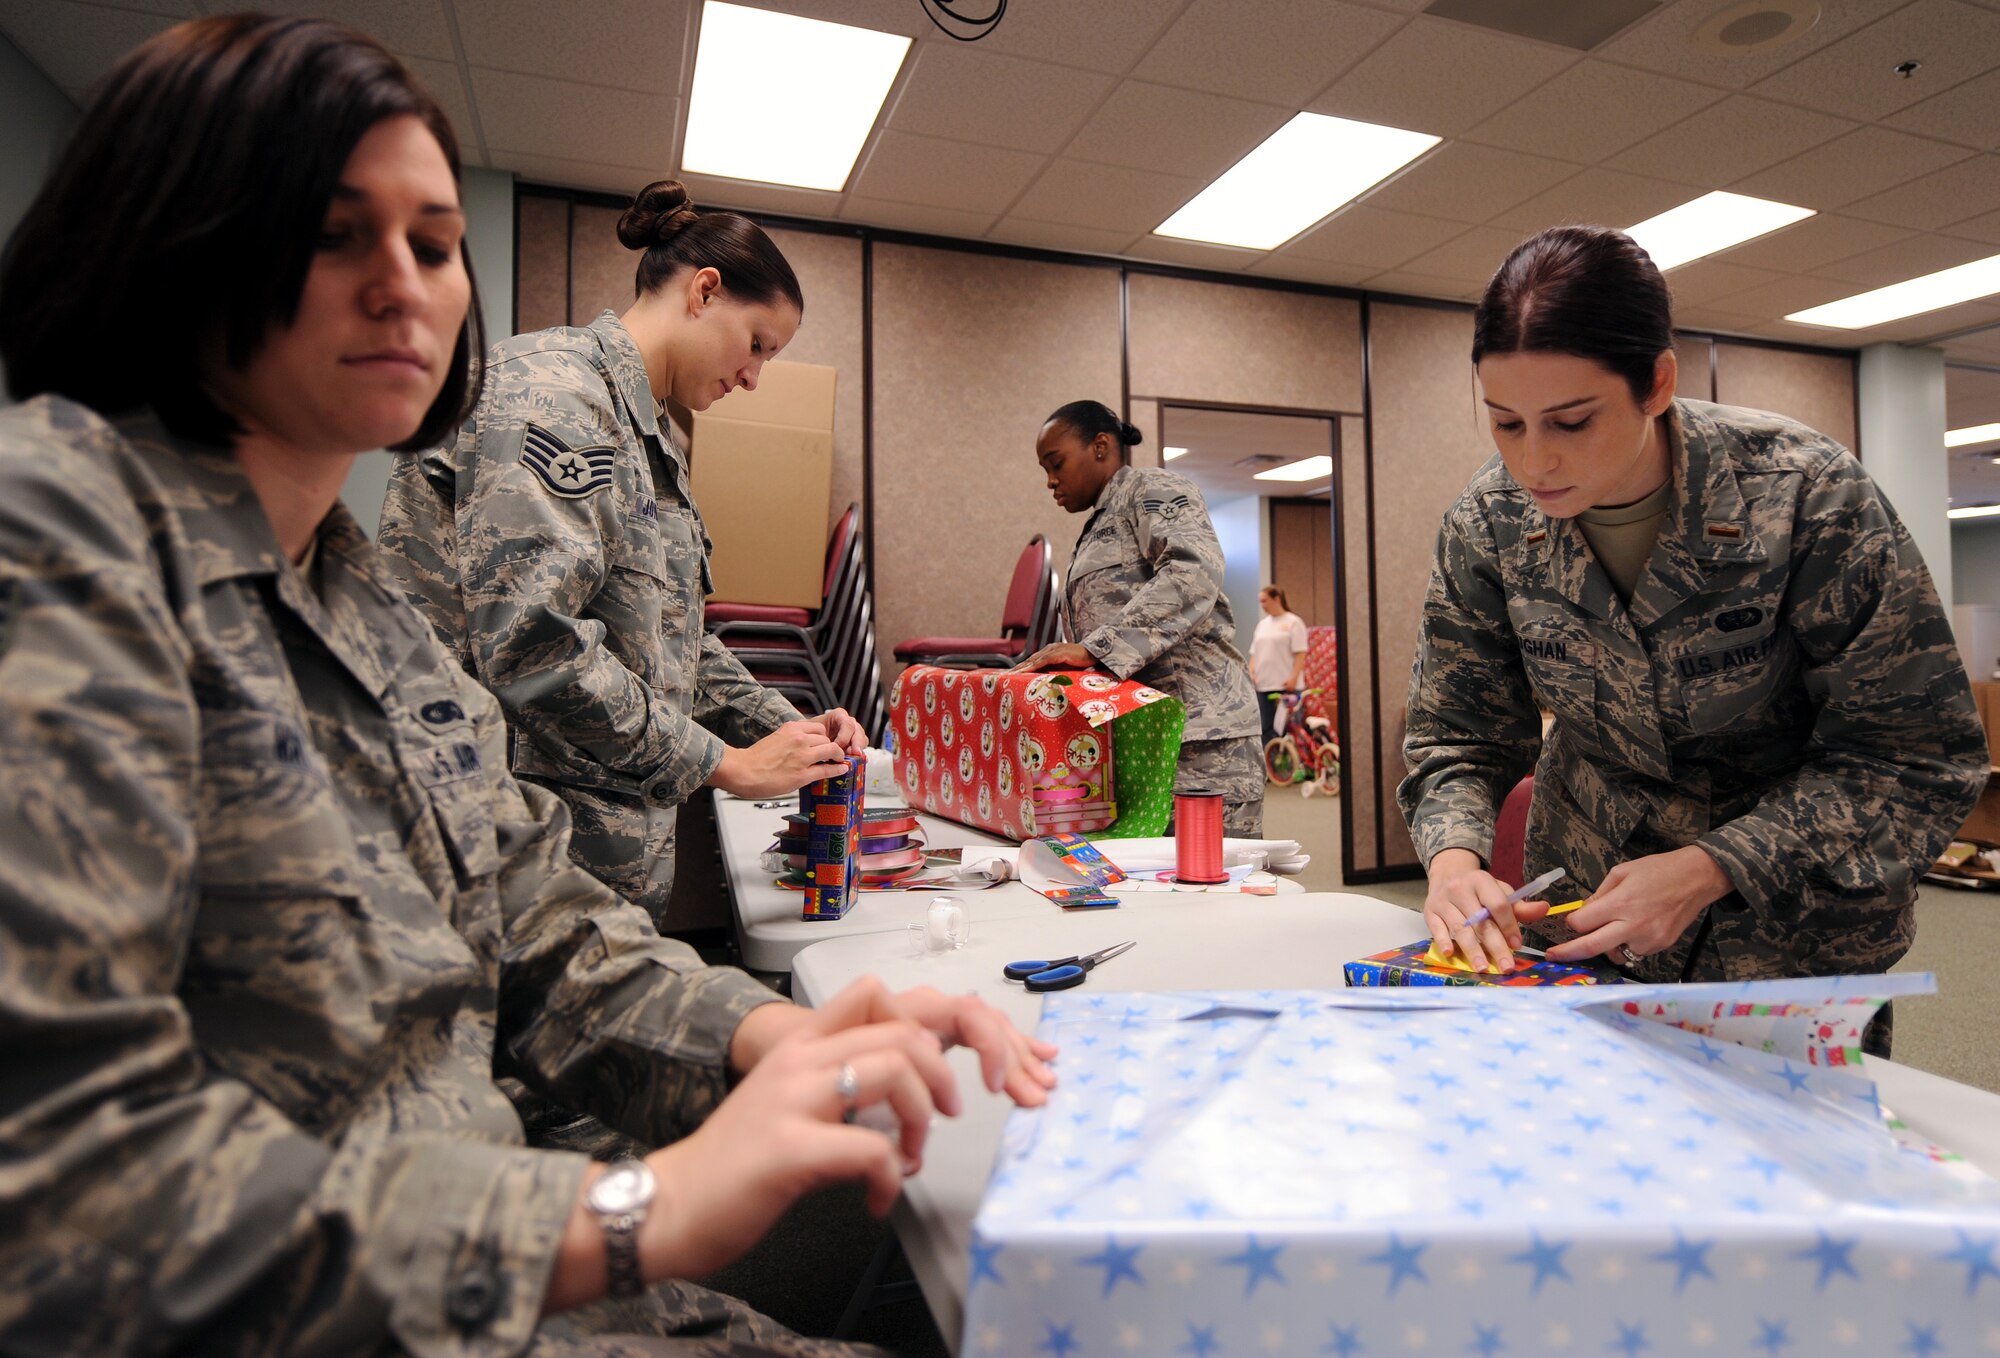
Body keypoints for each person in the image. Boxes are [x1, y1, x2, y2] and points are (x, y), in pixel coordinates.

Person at [0, 17, 1054, 1355]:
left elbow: (520, 906)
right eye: (338, 232)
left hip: (458, 1233)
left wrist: (765, 1035)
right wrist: (631, 1210)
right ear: (174, 235)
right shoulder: (51, 546)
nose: (407, 286)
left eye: (434, 245)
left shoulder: (345, 586)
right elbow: (73, 1196)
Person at [1399, 224, 1987, 1053]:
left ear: (1657, 383)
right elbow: (1457, 735)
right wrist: (1455, 863)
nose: (1536, 462)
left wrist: (1716, 865)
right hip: (1584, 925)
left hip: (1785, 944)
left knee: (1783, 1171)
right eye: (1506, 423)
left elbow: (1914, 758)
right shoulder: (1488, 523)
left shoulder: (1807, 497)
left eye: (1572, 420)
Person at [379, 179, 863, 924]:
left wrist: (784, 727)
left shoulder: (650, 441)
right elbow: (534, 647)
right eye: (758, 344)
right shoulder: (555, 398)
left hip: (590, 875)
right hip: (511, 854)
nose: (753, 377)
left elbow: (675, 646)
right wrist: (726, 765)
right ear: (704, 291)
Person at [1016, 400, 1264, 835]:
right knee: (1159, 889)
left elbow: (1194, 572)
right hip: (1149, 736)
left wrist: (1097, 650)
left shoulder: (1152, 489)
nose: (1051, 481)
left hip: (1202, 738)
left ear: (1100, 446)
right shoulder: (1099, 524)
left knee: (1215, 888)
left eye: (1056, 464)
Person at [1250, 584, 1310, 748]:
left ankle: (1291, 768)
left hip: (1286, 685)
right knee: (1266, 728)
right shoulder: (1262, 625)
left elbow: (1300, 653)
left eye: (1265, 601)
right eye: (1260, 602)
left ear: (1277, 599)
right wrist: (1252, 672)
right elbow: (1255, 652)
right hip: (1264, 685)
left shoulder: (1293, 622)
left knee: (1288, 728)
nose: (1262, 605)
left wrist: (1294, 677)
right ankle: (1271, 768)